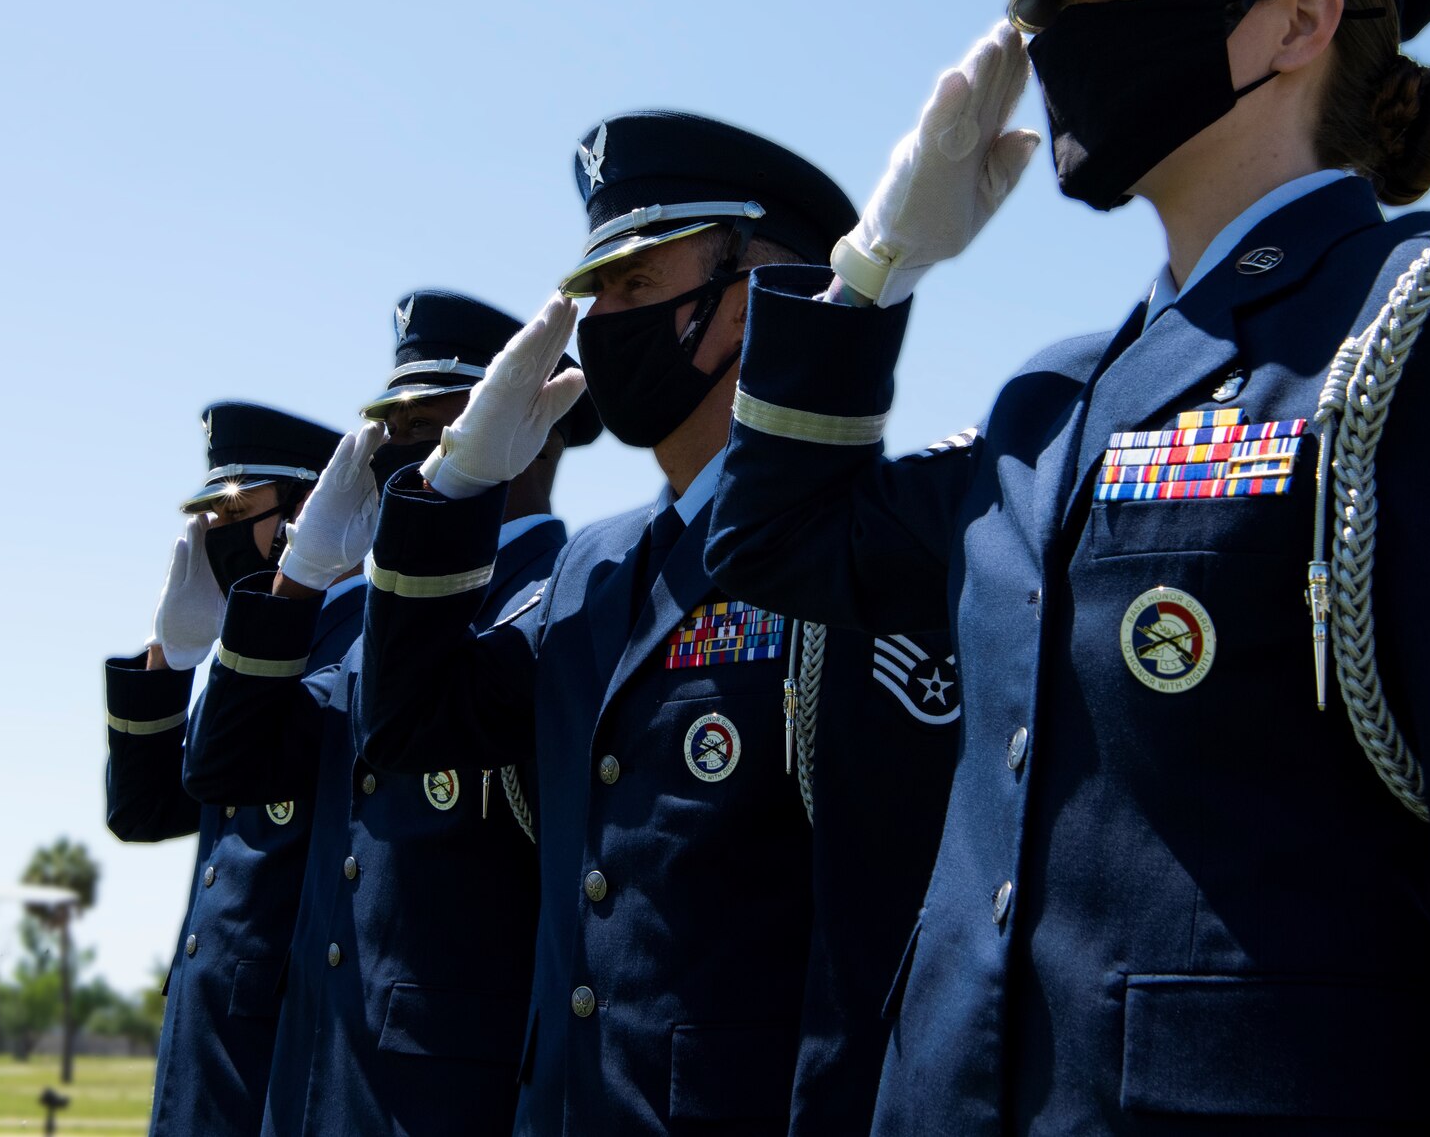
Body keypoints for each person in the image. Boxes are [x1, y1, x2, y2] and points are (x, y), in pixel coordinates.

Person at [704, 0, 1430, 1133]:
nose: (1062, 41)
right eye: (1057, 0)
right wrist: (871, 272)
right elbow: (774, 538)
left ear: (1298, 19)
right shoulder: (1052, 401)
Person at [354, 112, 961, 1136]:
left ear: (751, 299)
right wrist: (454, 483)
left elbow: (883, 938)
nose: (601, 320)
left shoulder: (867, 551)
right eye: (594, 291)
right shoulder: (591, 568)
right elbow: (410, 722)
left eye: (636, 284)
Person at [182, 290, 602, 1137]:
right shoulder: (374, 634)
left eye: (440, 423)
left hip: (451, 1104)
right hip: (317, 1086)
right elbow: (225, 763)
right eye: (398, 431)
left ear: (535, 419)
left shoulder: (562, 604)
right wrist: (295, 577)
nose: (411, 453)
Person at [103, 401, 350, 1137]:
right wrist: (168, 657)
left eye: (237, 510)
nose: (216, 535)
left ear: (308, 508)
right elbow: (142, 809)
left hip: (281, 1055)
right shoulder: (249, 662)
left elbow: (227, 769)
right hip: (204, 1056)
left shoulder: (352, 640)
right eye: (209, 515)